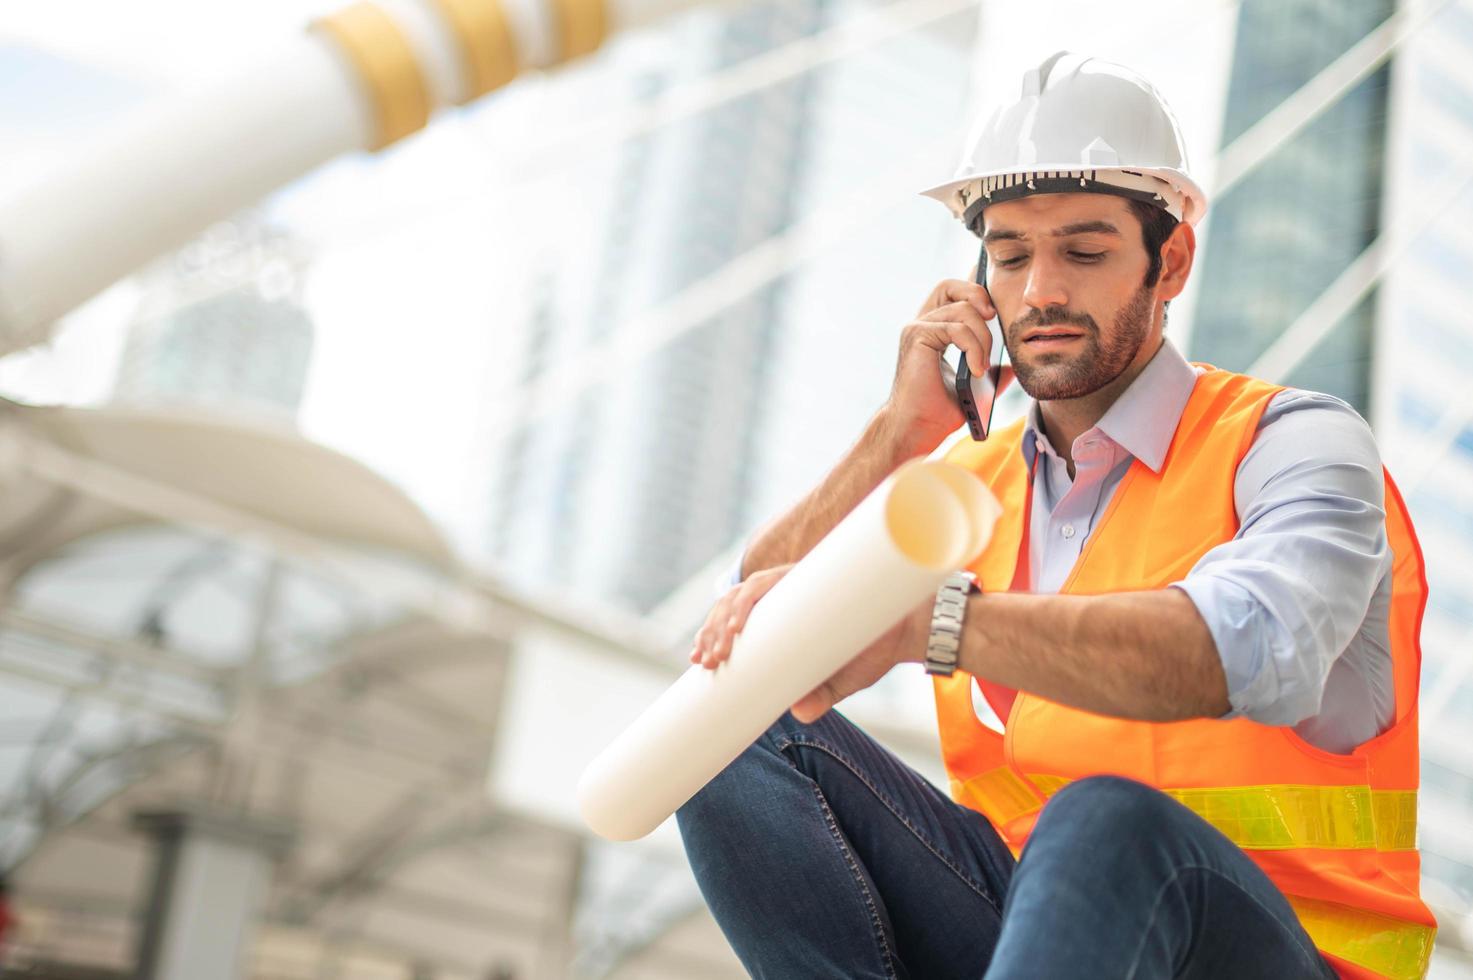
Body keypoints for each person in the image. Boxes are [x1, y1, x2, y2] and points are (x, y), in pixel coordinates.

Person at [674, 52, 1436, 980]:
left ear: (1172, 261)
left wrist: (936, 623)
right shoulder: (962, 487)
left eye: (1082, 251)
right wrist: (894, 439)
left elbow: (1254, 646)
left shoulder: (1291, 443)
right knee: (734, 728)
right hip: (1048, 945)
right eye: (1009, 256)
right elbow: (735, 642)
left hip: (1279, 956)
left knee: (1104, 816)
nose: (1039, 291)